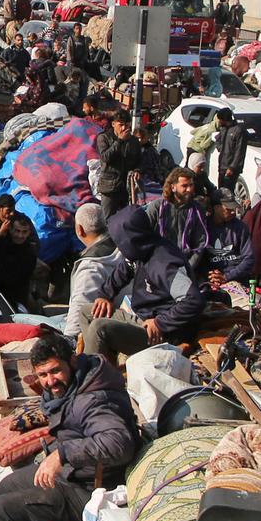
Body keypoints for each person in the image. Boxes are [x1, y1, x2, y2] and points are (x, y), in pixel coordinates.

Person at [0, 335, 141, 521]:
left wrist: (62, 454)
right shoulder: (73, 387)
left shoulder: (94, 399)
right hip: (73, 474)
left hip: (93, 494)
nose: (49, 381)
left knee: (3, 511)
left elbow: (119, 443)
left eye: (55, 371)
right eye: (43, 375)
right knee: (8, 486)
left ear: (72, 360)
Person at [82, 204, 210, 360]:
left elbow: (193, 300)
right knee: (87, 312)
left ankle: (93, 377)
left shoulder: (165, 264)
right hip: (141, 317)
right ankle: (104, 363)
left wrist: (160, 323)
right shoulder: (138, 250)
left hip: (161, 333)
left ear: (129, 239)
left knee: (99, 328)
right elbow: (124, 270)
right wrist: (105, 295)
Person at [64, 203, 123, 338]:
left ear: (80, 230)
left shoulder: (90, 266)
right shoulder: (122, 248)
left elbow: (79, 308)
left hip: (94, 330)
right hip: (119, 321)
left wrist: (68, 339)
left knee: (20, 318)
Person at [0, 207, 40, 310]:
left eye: (24, 232)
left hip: (14, 300)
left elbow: (9, 279)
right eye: (17, 231)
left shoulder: (29, 253)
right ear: (10, 230)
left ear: (29, 232)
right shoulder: (1, 244)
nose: (20, 235)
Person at [95, 111, 140, 220]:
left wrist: (138, 170)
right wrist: (119, 141)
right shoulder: (104, 138)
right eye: (121, 125)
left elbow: (139, 160)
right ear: (113, 124)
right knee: (108, 220)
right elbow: (105, 157)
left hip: (126, 187)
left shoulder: (133, 141)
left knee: (125, 219)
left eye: (126, 125)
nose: (124, 128)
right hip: (109, 186)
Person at [213, 108, 249, 197]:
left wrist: (232, 167)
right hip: (222, 166)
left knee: (228, 193)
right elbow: (217, 139)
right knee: (221, 191)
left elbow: (239, 151)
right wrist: (220, 147)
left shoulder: (238, 131)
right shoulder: (223, 129)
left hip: (230, 168)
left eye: (220, 119)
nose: (218, 121)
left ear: (224, 119)